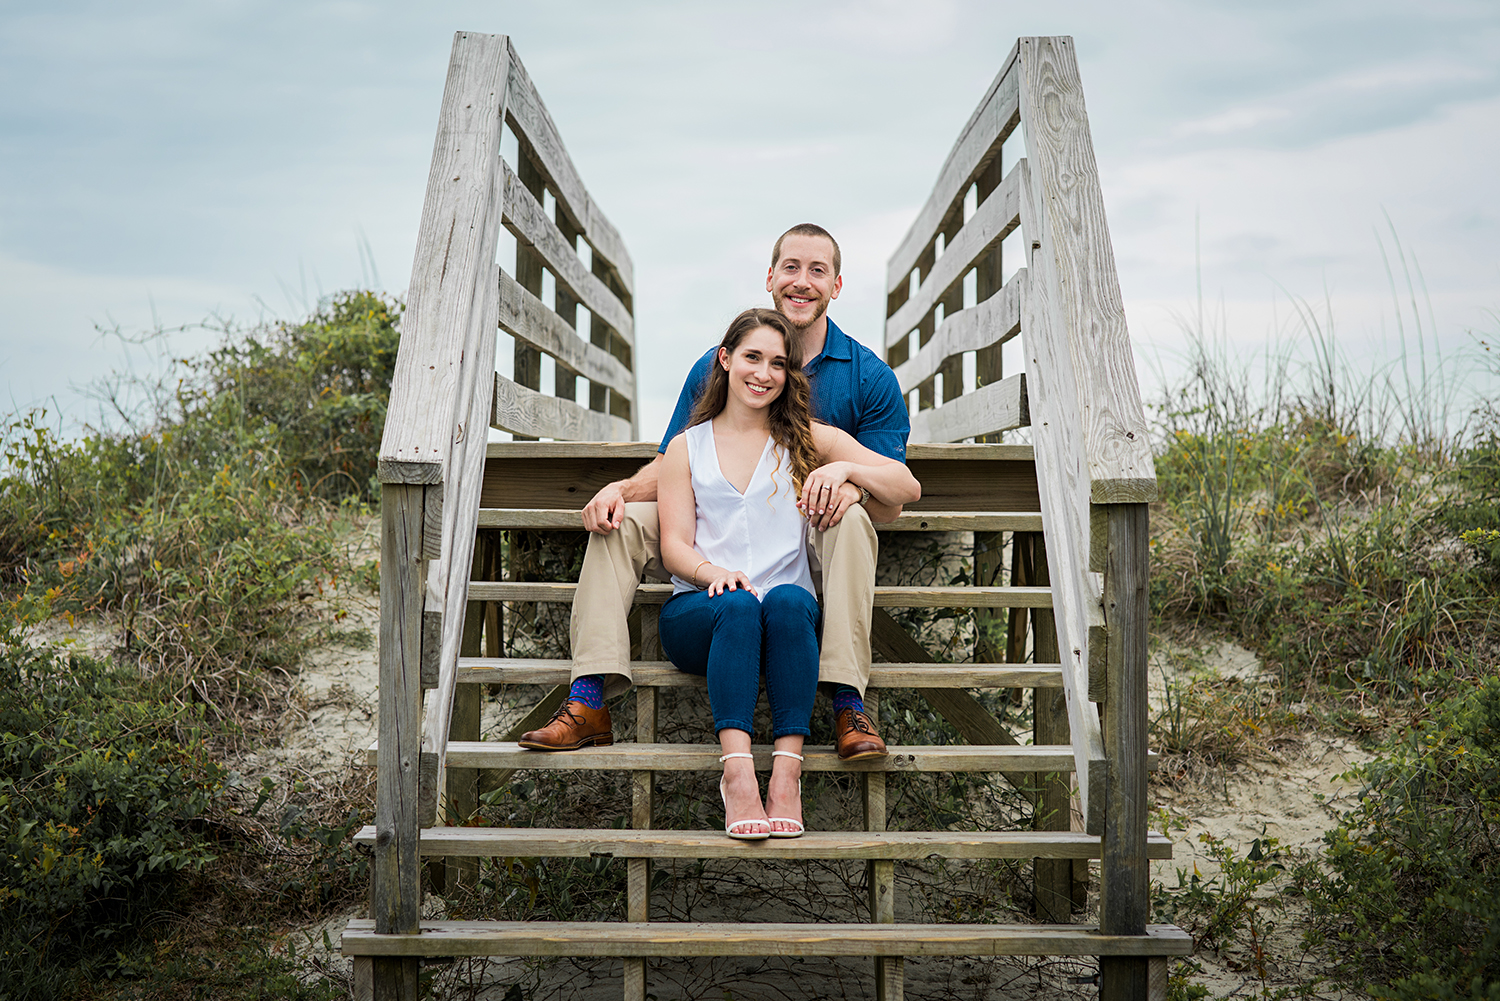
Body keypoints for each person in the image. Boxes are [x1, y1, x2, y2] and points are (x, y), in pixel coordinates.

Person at [519, 223, 912, 758]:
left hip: (805, 529)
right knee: (623, 521)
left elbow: (896, 491)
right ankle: (589, 697)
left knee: (852, 518)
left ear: (837, 286)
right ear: (770, 277)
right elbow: (680, 459)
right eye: (790, 268)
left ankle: (848, 701)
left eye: (817, 270)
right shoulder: (717, 364)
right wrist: (623, 488)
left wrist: (848, 479)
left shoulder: (868, 377)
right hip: (718, 516)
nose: (802, 281)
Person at [653, 308, 919, 838]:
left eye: (778, 363)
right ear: (725, 360)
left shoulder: (808, 439)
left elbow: (905, 486)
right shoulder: (687, 446)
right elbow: (673, 546)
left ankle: (786, 778)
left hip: (783, 616)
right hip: (701, 611)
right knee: (738, 603)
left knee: (790, 600)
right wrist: (713, 573)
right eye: (752, 357)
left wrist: (844, 468)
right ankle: (739, 776)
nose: (764, 373)